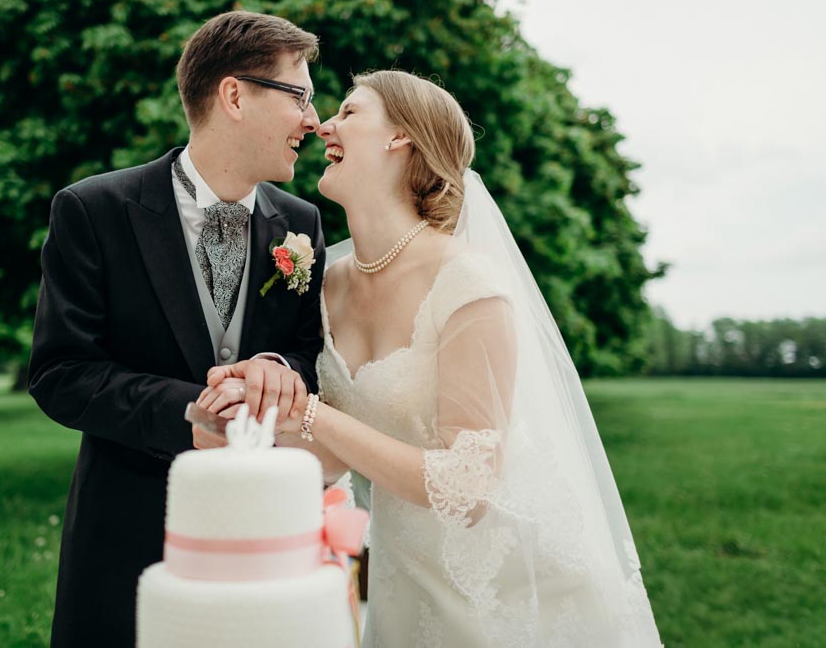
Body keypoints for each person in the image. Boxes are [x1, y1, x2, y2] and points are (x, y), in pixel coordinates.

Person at [204, 70, 662, 646]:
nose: (322, 125)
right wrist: (253, 408)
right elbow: (332, 457)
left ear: (401, 139)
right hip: (403, 581)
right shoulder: (323, 285)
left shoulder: (468, 282)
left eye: (348, 112)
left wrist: (315, 416)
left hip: (507, 592)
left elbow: (467, 488)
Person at [28, 11, 326, 647]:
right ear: (235, 95)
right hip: (126, 531)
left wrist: (277, 367)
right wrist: (187, 414)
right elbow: (61, 373)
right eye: (299, 95)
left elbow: (307, 352)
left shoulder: (303, 223)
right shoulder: (93, 210)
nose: (314, 120)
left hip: (261, 536)